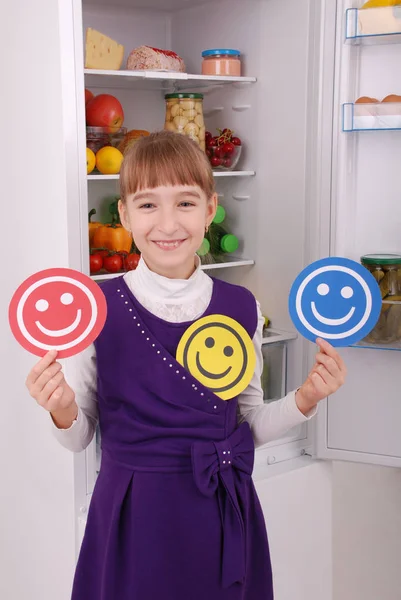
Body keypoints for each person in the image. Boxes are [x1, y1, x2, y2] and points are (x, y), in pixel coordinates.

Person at [25, 131, 346, 600]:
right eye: (149, 205)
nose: (168, 223)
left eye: (186, 203)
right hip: (132, 515)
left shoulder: (241, 306)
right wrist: (61, 407)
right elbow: (80, 436)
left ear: (211, 209)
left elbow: (247, 424)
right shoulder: (97, 308)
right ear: (125, 214)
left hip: (220, 512)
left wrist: (306, 398)